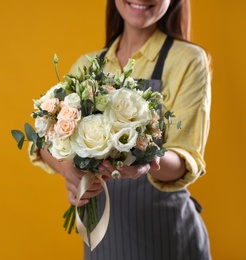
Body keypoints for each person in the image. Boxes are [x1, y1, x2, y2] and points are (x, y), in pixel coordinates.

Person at [29, 0, 211, 259]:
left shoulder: (188, 60)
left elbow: (185, 159)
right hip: (103, 238)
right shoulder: (88, 65)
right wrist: (67, 170)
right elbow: (43, 138)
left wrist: (146, 159)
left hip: (168, 238)